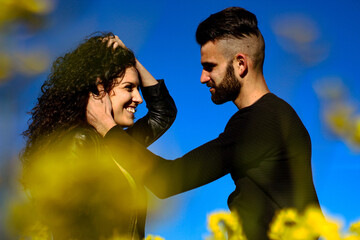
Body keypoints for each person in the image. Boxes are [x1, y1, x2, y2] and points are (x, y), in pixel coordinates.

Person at [86, 7, 320, 240]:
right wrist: (131, 60)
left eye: (210, 67)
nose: (202, 78)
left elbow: (168, 180)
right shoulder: (277, 115)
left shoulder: (260, 121)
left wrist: (107, 127)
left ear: (241, 64)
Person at [20, 32, 177, 240]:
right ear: (98, 90)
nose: (138, 98)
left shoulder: (120, 143)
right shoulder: (79, 143)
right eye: (129, 88)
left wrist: (132, 60)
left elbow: (163, 112)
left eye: (137, 88)